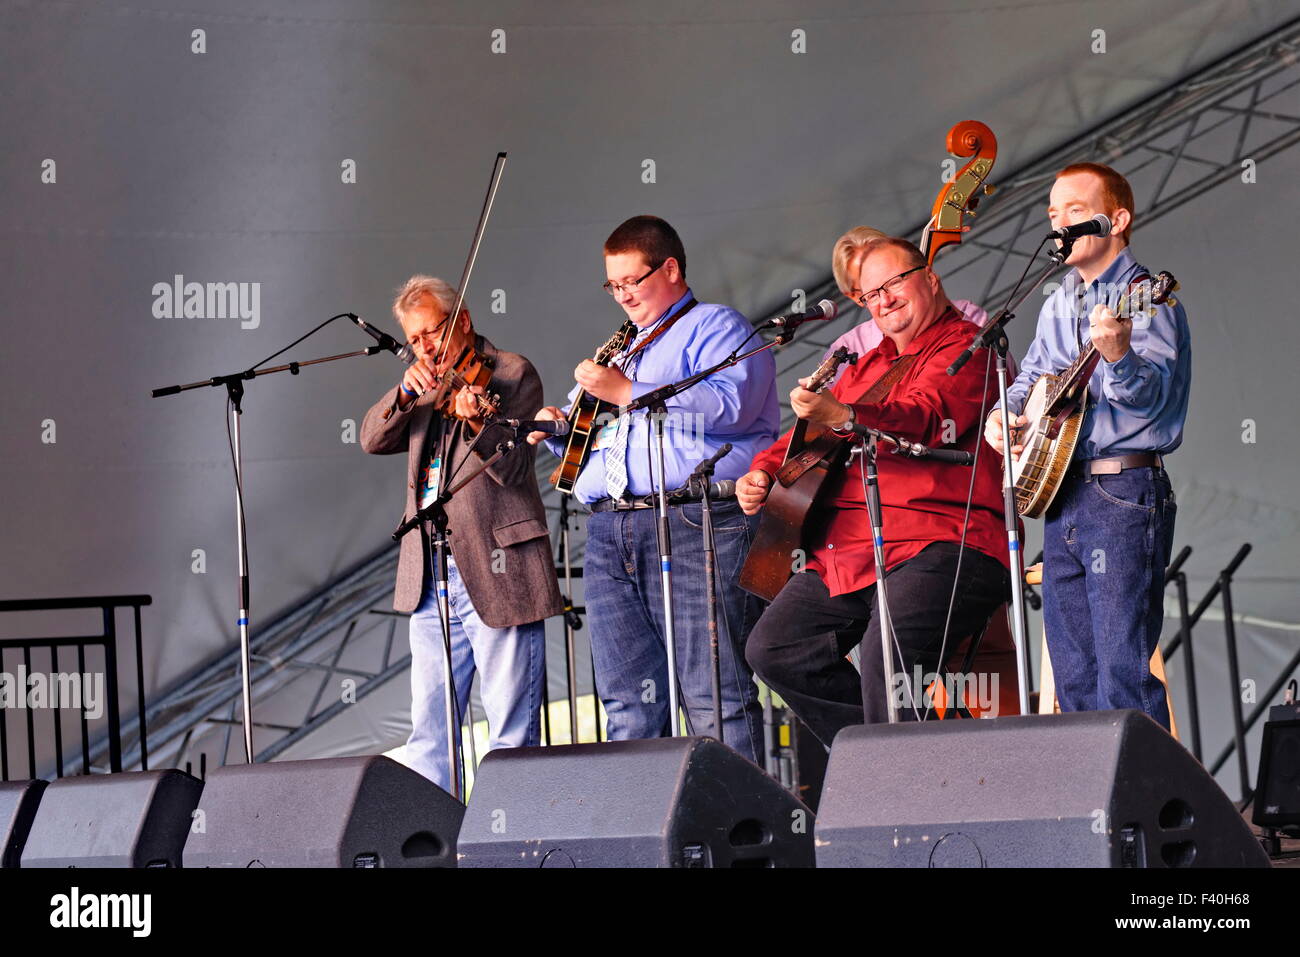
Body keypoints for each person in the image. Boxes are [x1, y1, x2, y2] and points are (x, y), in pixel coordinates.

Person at [738, 236, 1011, 746]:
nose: (883, 300)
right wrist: (762, 473)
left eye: (893, 284)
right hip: (856, 550)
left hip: (947, 542)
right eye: (870, 295)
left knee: (887, 657)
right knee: (774, 648)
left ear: (930, 278)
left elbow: (929, 419)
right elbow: (801, 440)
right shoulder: (866, 366)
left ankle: (900, 785)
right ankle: (887, 760)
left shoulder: (970, 346)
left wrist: (845, 415)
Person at [527, 215, 779, 763]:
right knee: (626, 701)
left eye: (631, 282)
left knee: (714, 694)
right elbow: (596, 434)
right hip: (609, 526)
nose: (621, 296)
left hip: (695, 518)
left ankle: (743, 837)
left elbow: (731, 409)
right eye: (611, 285)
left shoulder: (718, 325)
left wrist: (630, 392)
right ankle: (651, 836)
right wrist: (556, 428)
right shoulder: (618, 346)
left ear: (670, 268)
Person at [984, 163, 1190, 729]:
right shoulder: (1058, 304)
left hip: (1124, 488)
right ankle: (1089, 811)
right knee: (1073, 674)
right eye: (1053, 214)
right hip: (1062, 492)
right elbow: (1033, 377)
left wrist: (1119, 355)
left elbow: (1148, 400)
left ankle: (1142, 809)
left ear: (1117, 219)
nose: (1060, 223)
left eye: (1076, 211)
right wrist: (1006, 413)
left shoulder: (1149, 298)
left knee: (1122, 669)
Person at [361, 275, 562, 791]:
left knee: (511, 733)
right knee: (430, 731)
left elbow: (513, 470)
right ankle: (437, 846)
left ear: (464, 320)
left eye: (433, 333)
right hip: (431, 571)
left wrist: (477, 423)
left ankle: (510, 845)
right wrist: (408, 390)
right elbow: (371, 438)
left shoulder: (513, 373)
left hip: (499, 564)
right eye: (415, 341)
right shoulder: (423, 384)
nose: (426, 348)